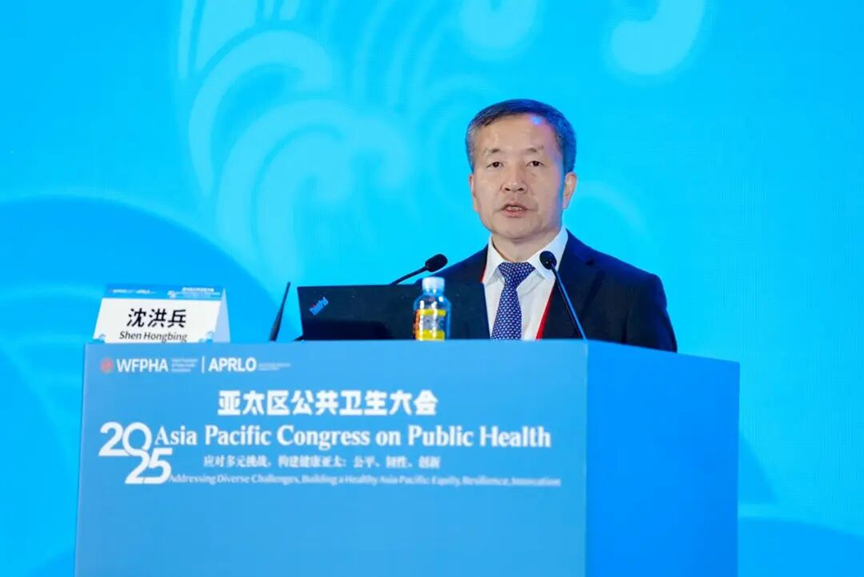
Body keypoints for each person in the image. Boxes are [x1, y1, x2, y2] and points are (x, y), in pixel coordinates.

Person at [438, 99, 677, 351]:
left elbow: (656, 378)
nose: (514, 183)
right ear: (473, 189)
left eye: (534, 163)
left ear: (567, 187)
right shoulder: (432, 297)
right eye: (496, 164)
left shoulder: (628, 294)